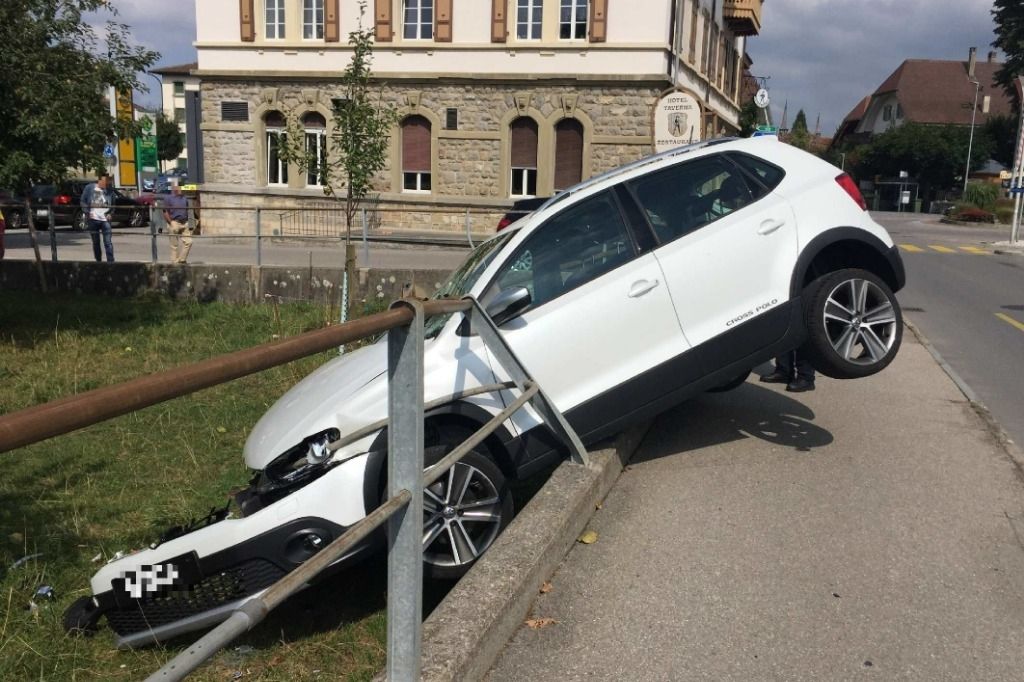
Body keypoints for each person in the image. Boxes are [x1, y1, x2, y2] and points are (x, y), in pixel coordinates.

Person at [81, 174, 114, 262]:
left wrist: (110, 213)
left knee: (108, 242)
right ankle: (98, 261)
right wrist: (87, 212)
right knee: (96, 242)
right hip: (93, 219)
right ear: (99, 181)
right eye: (103, 182)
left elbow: (113, 204)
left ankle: (111, 262)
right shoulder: (89, 188)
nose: (105, 185)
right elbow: (83, 201)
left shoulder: (110, 190)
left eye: (106, 183)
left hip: (105, 219)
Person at [162, 183, 192, 264]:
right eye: (179, 188)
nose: (181, 189)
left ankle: (181, 260)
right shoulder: (168, 198)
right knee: (174, 245)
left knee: (189, 242)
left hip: (184, 222)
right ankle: (175, 263)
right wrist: (170, 222)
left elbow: (187, 209)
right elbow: (165, 211)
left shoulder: (184, 198)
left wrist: (188, 221)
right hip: (174, 222)